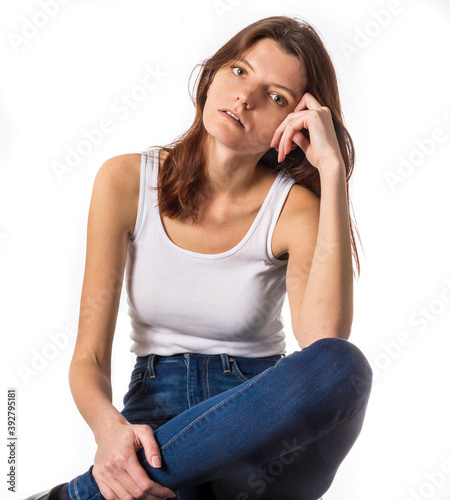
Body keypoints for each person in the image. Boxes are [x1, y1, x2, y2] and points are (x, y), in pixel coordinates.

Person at [25, 15, 373, 500]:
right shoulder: (126, 181)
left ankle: (79, 495)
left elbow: (322, 341)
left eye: (276, 98)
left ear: (294, 126)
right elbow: (88, 357)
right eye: (239, 71)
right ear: (211, 75)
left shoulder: (295, 210)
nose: (245, 98)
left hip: (261, 422)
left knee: (345, 367)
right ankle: (132, 476)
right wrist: (110, 436)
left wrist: (333, 171)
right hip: (158, 416)